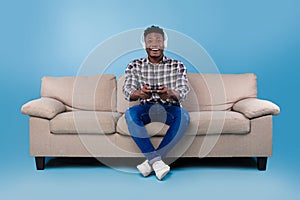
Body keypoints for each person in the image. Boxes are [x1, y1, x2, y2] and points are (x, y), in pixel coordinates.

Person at [122, 25, 190, 180]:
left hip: (169, 108)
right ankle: (157, 162)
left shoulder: (177, 65)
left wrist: (170, 94)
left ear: (164, 43)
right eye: (150, 40)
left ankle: (150, 162)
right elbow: (128, 90)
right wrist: (139, 93)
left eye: (159, 40)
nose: (154, 44)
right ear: (144, 44)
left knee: (184, 117)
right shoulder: (135, 65)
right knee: (130, 114)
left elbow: (183, 90)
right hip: (146, 107)